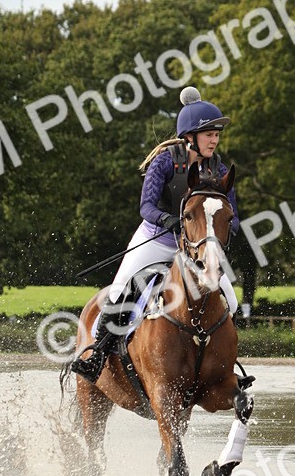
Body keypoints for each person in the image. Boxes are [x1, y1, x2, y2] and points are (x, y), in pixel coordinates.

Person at [69, 86, 240, 383]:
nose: (215, 139)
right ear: (190, 136)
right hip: (157, 239)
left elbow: (232, 213)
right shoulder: (165, 162)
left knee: (232, 302)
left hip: (196, 250)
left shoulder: (219, 168)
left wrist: (222, 231)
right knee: (120, 292)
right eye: (209, 134)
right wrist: (168, 220)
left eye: (217, 134)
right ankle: (96, 355)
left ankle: (221, 363)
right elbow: (145, 206)